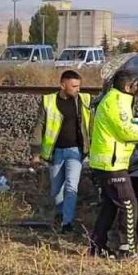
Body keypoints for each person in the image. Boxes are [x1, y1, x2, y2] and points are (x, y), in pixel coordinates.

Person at [87, 69, 138, 257]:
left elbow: (130, 122)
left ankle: (97, 245)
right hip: (111, 165)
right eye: (137, 85)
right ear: (128, 86)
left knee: (110, 205)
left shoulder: (116, 99)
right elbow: (126, 130)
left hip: (107, 163)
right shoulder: (116, 102)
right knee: (129, 204)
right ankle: (127, 248)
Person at [29, 70, 92, 233]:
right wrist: (36, 153)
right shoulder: (48, 101)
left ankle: (67, 222)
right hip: (56, 152)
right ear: (62, 85)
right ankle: (60, 215)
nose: (78, 89)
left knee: (71, 186)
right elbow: (39, 126)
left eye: (79, 86)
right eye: (74, 86)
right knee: (57, 189)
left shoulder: (84, 100)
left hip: (76, 152)